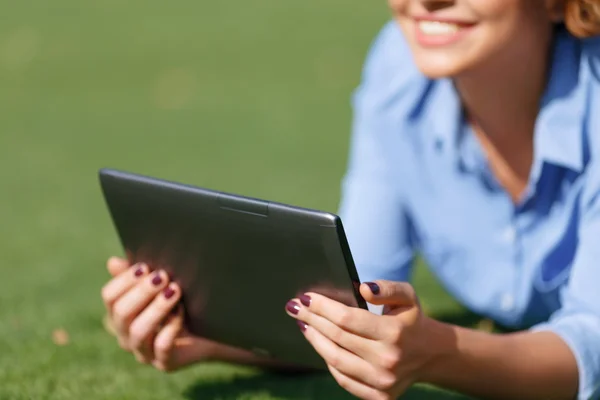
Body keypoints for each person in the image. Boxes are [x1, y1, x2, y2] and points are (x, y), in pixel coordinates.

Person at [100, 0, 600, 399]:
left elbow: (591, 347)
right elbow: (354, 297)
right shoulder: (398, 68)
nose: (427, 1)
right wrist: (209, 335)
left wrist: (440, 352)